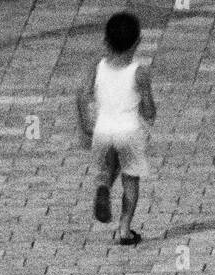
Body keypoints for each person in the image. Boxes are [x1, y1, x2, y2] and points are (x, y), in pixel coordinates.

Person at [77, 10, 157, 246]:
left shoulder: (97, 66)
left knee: (107, 168)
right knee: (131, 179)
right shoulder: (139, 72)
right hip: (129, 132)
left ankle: (103, 187)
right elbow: (149, 109)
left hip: (103, 130)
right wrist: (149, 114)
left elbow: (82, 95)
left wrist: (85, 124)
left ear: (105, 41)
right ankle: (124, 229)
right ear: (138, 42)